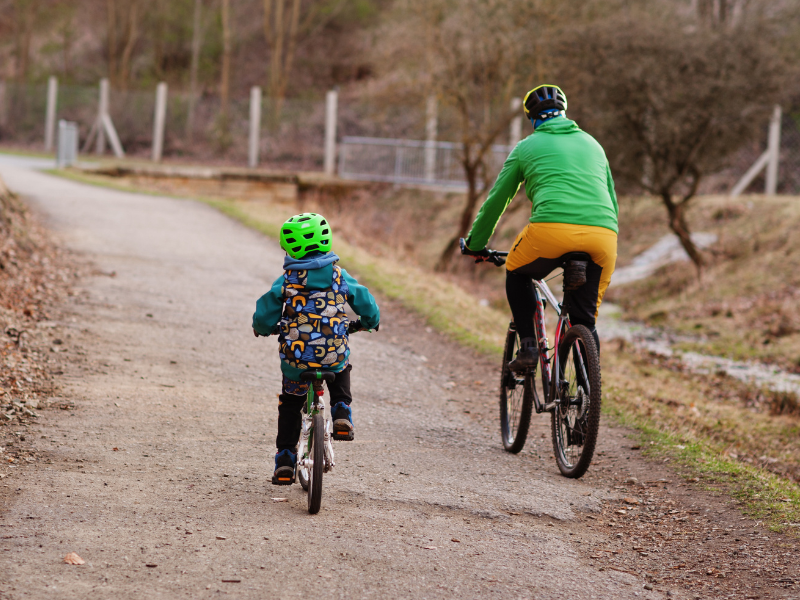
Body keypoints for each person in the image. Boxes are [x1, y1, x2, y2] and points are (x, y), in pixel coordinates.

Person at [461, 84, 618, 371]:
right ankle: (588, 385)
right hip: (603, 236)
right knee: (585, 320)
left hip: (550, 232)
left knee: (516, 271)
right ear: (564, 112)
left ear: (531, 118)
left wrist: (476, 244)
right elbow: (612, 199)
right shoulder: (594, 144)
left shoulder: (526, 147)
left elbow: (497, 200)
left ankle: (529, 348)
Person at [252, 213, 380, 485]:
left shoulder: (287, 280)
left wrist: (263, 328)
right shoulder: (339, 275)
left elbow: (264, 315)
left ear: (289, 248)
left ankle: (285, 459)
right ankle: (342, 409)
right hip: (333, 354)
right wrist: (369, 322)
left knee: (290, 403)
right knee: (341, 364)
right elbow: (366, 303)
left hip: (297, 361)